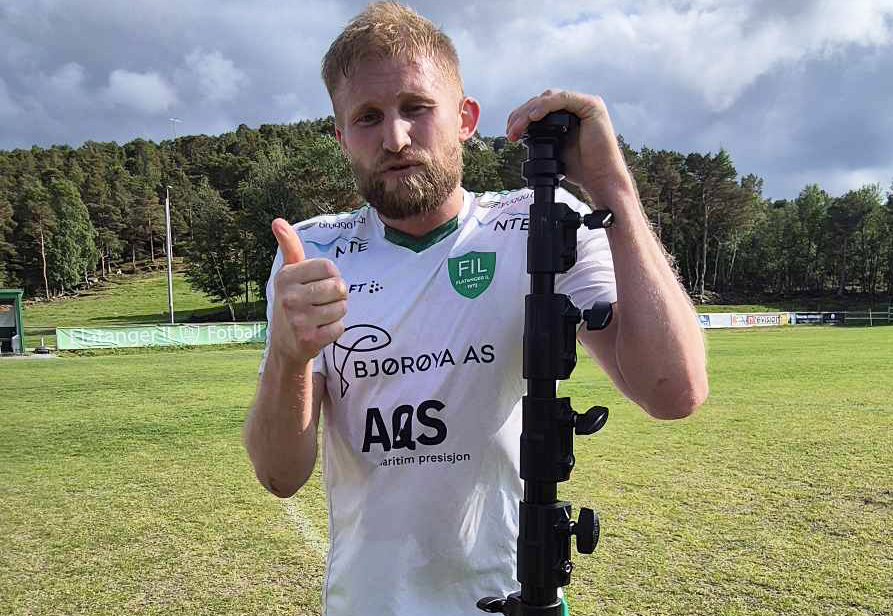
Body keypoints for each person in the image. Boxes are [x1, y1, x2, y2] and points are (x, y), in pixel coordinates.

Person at [244, 2, 708, 615]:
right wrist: (289, 355)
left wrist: (611, 186)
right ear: (341, 136)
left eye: (417, 107)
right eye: (367, 117)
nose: (395, 138)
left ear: (466, 118)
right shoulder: (312, 255)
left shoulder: (539, 224)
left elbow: (674, 391)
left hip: (517, 598)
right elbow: (280, 476)